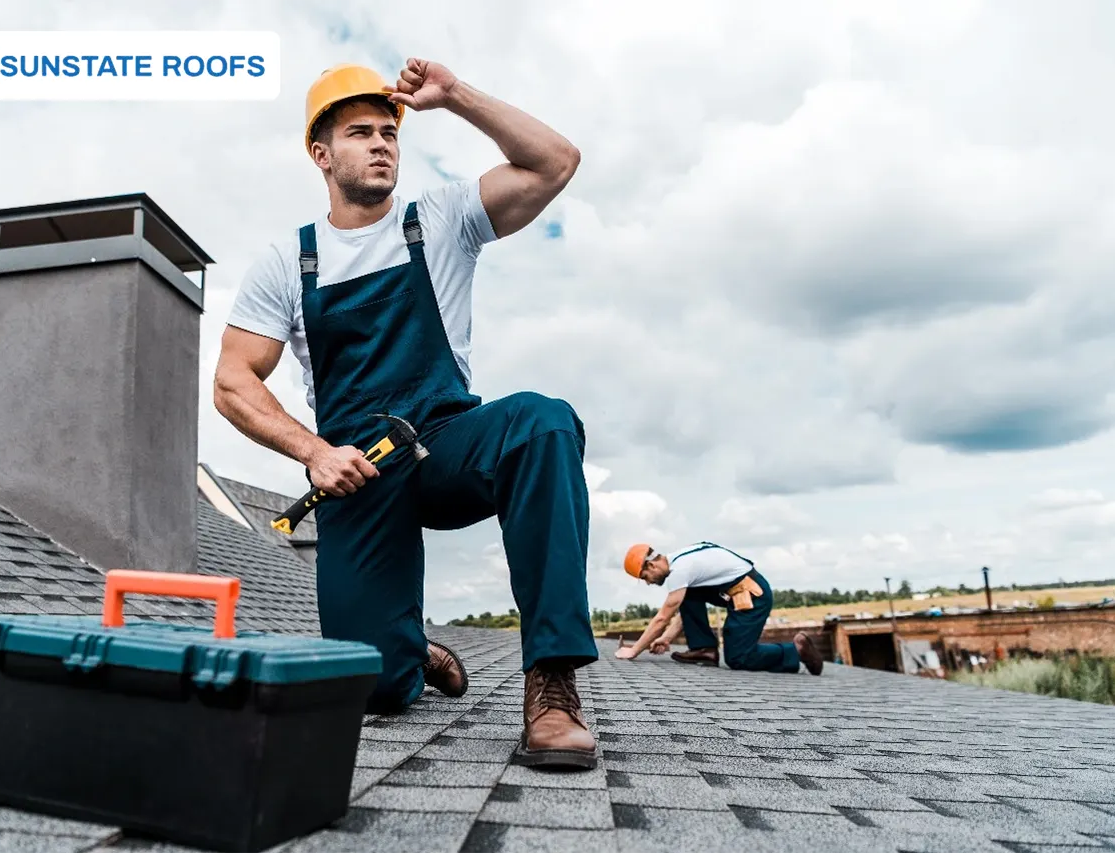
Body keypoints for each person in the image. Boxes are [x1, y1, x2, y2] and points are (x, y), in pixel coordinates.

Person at [214, 59, 599, 769]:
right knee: (377, 688)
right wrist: (313, 451)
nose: (382, 142)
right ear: (321, 154)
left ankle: (552, 681)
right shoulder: (288, 263)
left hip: (447, 448)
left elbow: (554, 163)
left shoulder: (444, 220)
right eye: (360, 132)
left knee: (544, 421)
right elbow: (233, 381)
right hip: (355, 473)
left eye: (389, 131)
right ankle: (407, 649)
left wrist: (454, 97)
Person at [613, 542, 824, 675]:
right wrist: (666, 639)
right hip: (739, 596)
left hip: (753, 598)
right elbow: (685, 608)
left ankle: (796, 650)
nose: (649, 582)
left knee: (738, 659)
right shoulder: (681, 562)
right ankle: (704, 649)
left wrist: (634, 650)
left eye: (645, 578)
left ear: (651, 566)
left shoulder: (680, 569)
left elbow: (663, 617)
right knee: (690, 593)